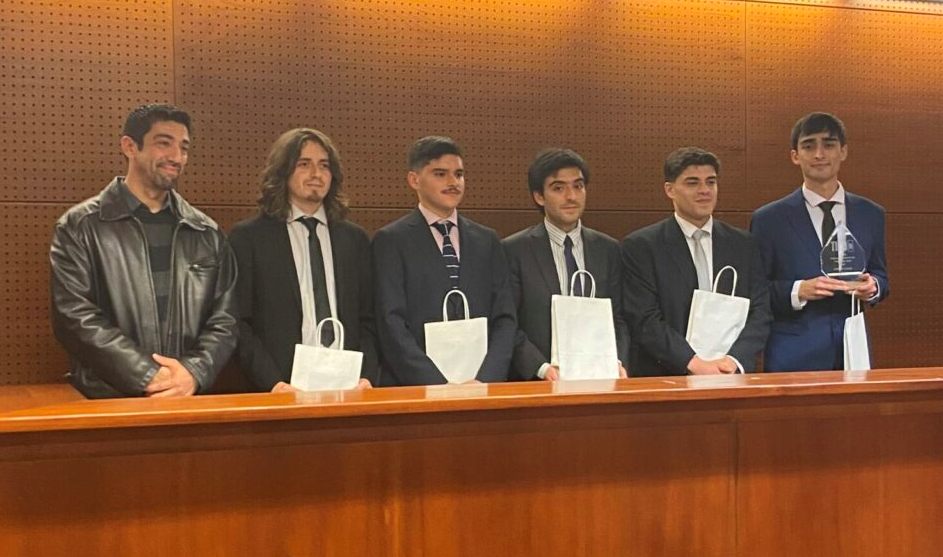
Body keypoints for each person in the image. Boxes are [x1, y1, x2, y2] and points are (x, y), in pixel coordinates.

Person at [50, 104, 237, 398]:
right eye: (164, 143)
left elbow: (225, 319)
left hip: (187, 401)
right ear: (130, 147)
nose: (176, 157)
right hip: (107, 400)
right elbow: (73, 317)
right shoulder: (80, 226)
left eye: (184, 147)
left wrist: (193, 372)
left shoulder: (206, 232)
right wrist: (148, 376)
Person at [229, 128, 378, 392]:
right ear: (283, 171)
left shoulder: (354, 240)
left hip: (349, 385)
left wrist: (366, 375)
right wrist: (273, 383)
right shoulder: (249, 238)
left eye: (324, 165)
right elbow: (239, 322)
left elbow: (368, 318)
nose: (316, 174)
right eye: (304, 164)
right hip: (282, 387)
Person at [750, 112, 889, 371]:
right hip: (793, 356)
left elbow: (881, 275)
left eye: (828, 144)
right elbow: (755, 291)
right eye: (808, 146)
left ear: (843, 151)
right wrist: (798, 290)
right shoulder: (769, 219)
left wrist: (873, 287)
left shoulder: (871, 214)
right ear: (795, 156)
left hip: (853, 349)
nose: (819, 154)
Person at [372, 136, 516, 385]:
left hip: (482, 386)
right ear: (414, 180)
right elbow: (391, 323)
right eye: (440, 174)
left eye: (459, 174)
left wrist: (485, 379)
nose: (453, 182)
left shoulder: (487, 240)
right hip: (419, 387)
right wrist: (438, 385)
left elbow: (505, 318)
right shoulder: (391, 240)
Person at [621, 147, 770, 376]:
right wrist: (692, 363)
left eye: (711, 182)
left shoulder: (743, 245)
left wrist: (734, 360)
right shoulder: (642, 246)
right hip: (668, 376)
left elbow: (760, 311)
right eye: (693, 183)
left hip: (730, 375)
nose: (704, 191)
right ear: (670, 190)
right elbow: (644, 318)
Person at [503, 148, 629, 380]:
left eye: (578, 186)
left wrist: (617, 362)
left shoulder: (608, 249)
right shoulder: (514, 251)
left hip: (601, 377)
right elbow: (508, 323)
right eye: (558, 188)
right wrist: (542, 369)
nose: (571, 196)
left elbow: (619, 318)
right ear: (539, 196)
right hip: (541, 381)